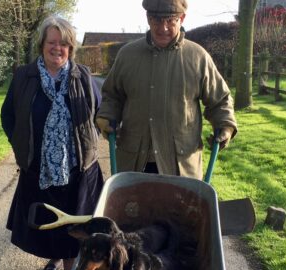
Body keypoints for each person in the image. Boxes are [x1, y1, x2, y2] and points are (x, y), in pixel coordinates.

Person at [0, 15, 103, 270]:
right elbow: (8, 115)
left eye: (64, 44)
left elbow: (102, 114)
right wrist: (21, 144)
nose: (57, 48)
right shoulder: (24, 76)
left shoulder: (83, 76)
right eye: (52, 42)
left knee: (75, 225)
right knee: (47, 223)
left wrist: (97, 137)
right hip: (39, 168)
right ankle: (55, 259)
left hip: (78, 168)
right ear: (42, 45)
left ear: (71, 48)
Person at [96, 0, 237, 179]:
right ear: (148, 18)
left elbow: (220, 100)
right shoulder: (127, 55)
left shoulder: (198, 57)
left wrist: (226, 126)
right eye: (156, 20)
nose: (163, 28)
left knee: (180, 208)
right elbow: (112, 96)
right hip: (133, 162)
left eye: (170, 20)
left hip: (182, 166)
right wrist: (105, 117)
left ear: (182, 18)